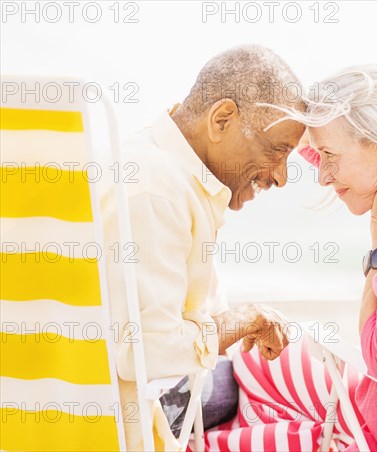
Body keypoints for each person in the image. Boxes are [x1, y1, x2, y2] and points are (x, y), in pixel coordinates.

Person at [205, 65, 377, 451]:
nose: (322, 174)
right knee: (256, 375)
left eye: (330, 155)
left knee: (254, 391)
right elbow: (320, 144)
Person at [97, 44, 306, 449]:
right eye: (277, 150)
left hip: (123, 392)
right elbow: (145, 351)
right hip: (132, 411)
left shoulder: (160, 168)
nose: (280, 176)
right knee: (292, 388)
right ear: (222, 119)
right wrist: (244, 320)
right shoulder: (155, 189)